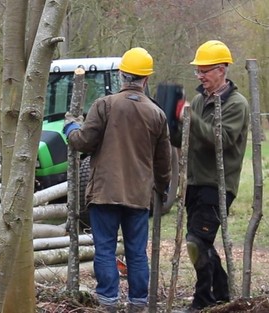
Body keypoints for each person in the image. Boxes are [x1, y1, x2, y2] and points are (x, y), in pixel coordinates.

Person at [63, 47, 172, 313]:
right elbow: (163, 162)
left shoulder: (105, 105)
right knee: (136, 252)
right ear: (146, 79)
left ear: (122, 75)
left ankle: (108, 303)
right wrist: (163, 188)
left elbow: (84, 142)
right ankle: (138, 304)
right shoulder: (157, 114)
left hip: (105, 193)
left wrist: (71, 127)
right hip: (138, 195)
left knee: (105, 249)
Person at [174, 40, 250, 312]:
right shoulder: (198, 100)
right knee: (200, 242)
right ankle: (223, 293)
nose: (200, 76)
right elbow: (189, 138)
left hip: (218, 185)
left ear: (222, 70)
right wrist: (175, 123)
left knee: (196, 242)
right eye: (198, 71)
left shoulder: (236, 104)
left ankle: (203, 300)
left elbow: (223, 140)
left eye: (204, 71)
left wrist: (190, 118)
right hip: (195, 183)